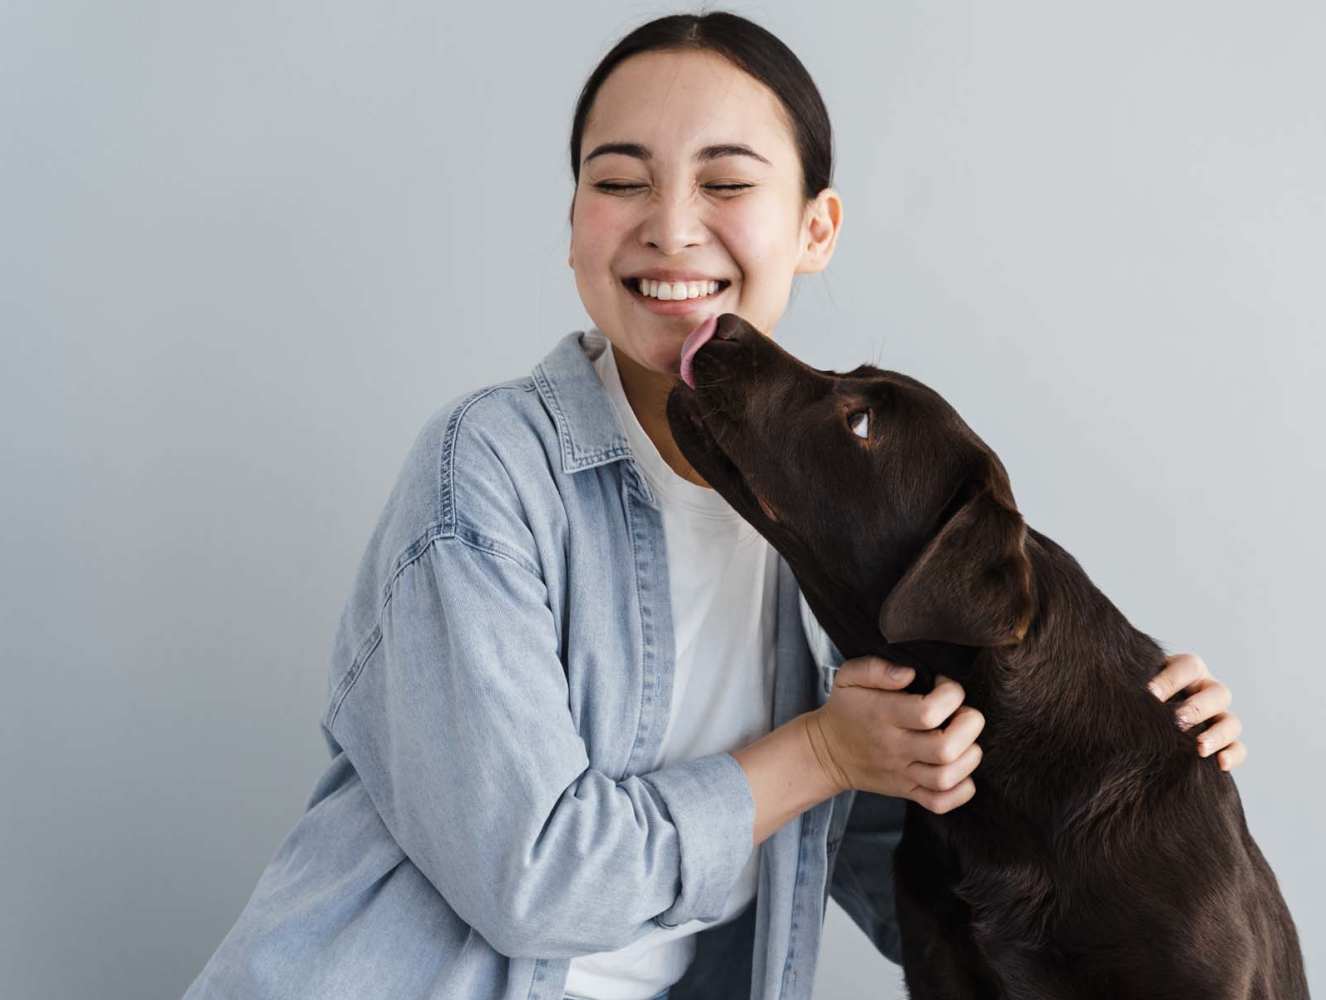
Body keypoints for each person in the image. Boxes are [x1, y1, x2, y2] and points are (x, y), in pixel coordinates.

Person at [182, 12, 1247, 1000]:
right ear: (571, 229)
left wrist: (1128, 749)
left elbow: (913, 878)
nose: (671, 228)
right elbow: (534, 880)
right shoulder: (487, 470)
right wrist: (825, 752)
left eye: (726, 183)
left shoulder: (832, 538)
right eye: (620, 181)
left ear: (815, 228)